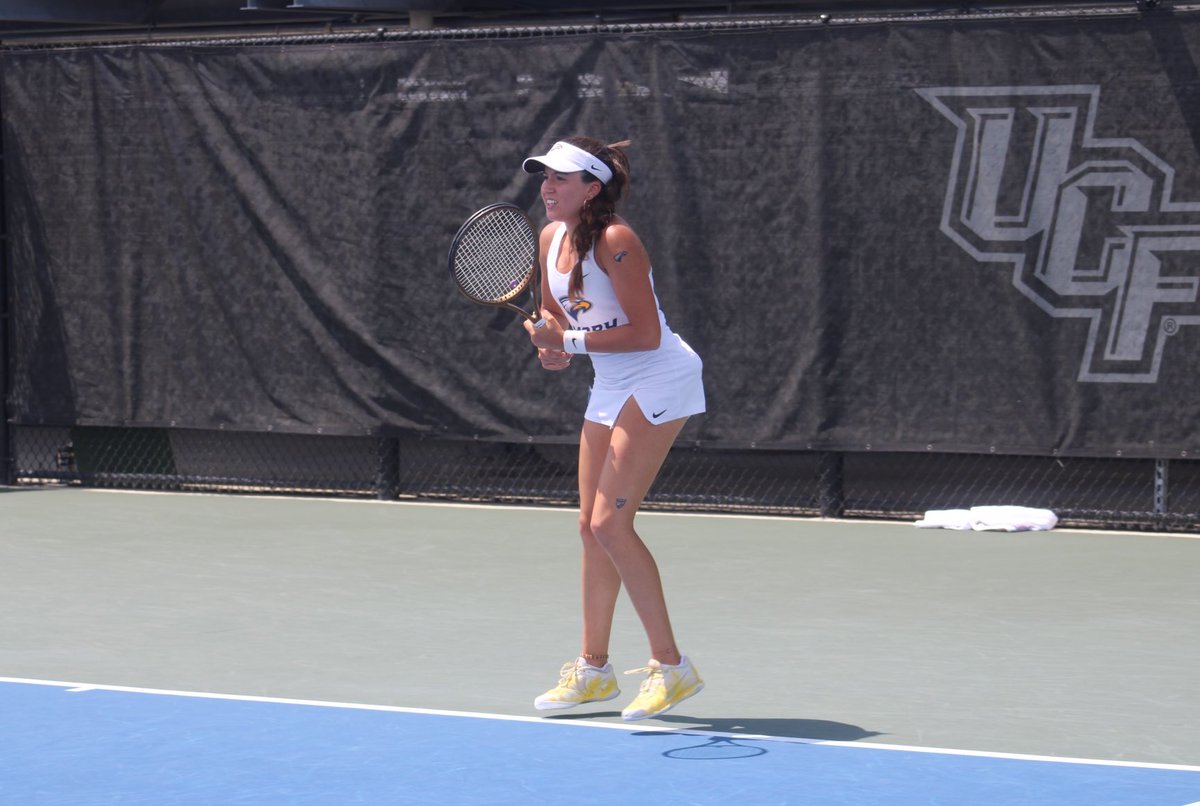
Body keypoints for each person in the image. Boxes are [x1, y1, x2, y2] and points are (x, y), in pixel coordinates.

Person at [519, 137, 706, 721]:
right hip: (610, 381)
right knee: (588, 527)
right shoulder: (549, 239)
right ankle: (593, 671)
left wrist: (568, 342)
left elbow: (646, 334)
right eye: (544, 178)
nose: (548, 188)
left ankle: (671, 669)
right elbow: (556, 316)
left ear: (592, 189)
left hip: (659, 375)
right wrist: (554, 348)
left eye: (562, 180)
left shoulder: (617, 241)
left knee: (611, 523)